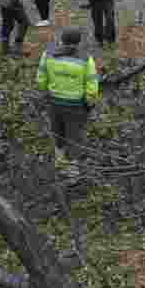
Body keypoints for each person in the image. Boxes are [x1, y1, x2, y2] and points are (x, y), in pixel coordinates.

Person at [36, 28, 100, 179]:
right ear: (78, 43)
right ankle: (72, 173)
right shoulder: (86, 60)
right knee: (74, 137)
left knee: (58, 134)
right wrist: (89, 104)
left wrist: (46, 93)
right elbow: (92, 87)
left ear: (61, 40)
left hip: (54, 103)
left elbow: (40, 79)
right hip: (76, 107)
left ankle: (60, 165)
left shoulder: (48, 55)